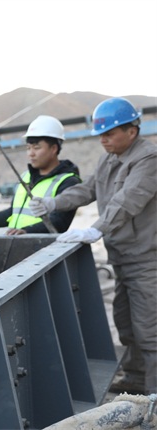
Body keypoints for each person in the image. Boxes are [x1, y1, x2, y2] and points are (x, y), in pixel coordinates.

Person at [30, 97, 157, 395]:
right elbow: (87, 190)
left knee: (150, 329)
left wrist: (96, 229)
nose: (103, 140)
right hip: (122, 257)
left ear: (132, 131)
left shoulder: (148, 160)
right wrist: (53, 203)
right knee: (125, 323)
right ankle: (136, 378)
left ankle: (153, 394)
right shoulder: (108, 159)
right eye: (100, 135)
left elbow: (127, 201)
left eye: (109, 134)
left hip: (147, 260)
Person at [0, 115, 81, 234]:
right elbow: (13, 214)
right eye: (28, 148)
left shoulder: (68, 182)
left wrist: (26, 232)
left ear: (53, 149)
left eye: (36, 148)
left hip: (44, 245)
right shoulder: (25, 177)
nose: (30, 153)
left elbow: (59, 222)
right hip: (16, 242)